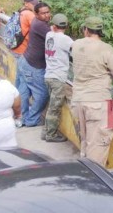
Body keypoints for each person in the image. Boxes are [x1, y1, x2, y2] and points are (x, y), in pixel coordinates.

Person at [71, 16, 113, 165]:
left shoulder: (76, 44)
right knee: (97, 148)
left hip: (78, 101)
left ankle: (85, 171)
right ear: (100, 31)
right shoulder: (105, 48)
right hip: (97, 104)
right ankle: (93, 182)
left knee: (85, 141)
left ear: (86, 30)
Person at [17, 2, 51, 127]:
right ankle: (31, 120)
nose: (47, 15)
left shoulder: (38, 23)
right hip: (34, 66)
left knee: (24, 92)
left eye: (48, 12)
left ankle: (21, 117)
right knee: (42, 94)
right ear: (36, 14)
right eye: (43, 13)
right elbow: (55, 39)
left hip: (25, 60)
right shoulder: (41, 25)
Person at [42, 13, 73, 142]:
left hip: (48, 76)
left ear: (53, 26)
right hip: (58, 79)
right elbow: (75, 50)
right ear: (66, 26)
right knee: (55, 108)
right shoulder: (66, 40)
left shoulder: (49, 35)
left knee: (51, 106)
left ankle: (46, 131)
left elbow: (51, 29)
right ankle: (50, 134)